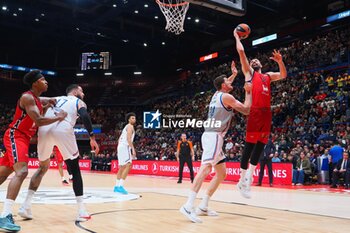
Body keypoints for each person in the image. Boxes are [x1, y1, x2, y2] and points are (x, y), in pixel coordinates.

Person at [180, 62, 252, 223]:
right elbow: (247, 109)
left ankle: (203, 205)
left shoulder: (216, 94)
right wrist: (249, 91)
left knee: (221, 173)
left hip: (212, 135)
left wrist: (233, 75)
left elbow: (225, 84)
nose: (230, 82)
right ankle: (188, 205)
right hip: (214, 136)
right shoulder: (226, 97)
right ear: (223, 85)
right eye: (228, 81)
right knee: (205, 169)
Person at [18, 84, 99, 222]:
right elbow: (84, 115)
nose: (83, 94)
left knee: (43, 167)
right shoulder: (78, 101)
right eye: (81, 91)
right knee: (75, 169)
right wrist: (92, 137)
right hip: (63, 127)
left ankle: (25, 205)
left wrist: (46, 102)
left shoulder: (55, 98)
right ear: (74, 91)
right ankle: (81, 210)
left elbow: (35, 98)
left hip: (44, 130)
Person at [0, 70, 67, 232]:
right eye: (43, 80)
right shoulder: (28, 97)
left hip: (24, 138)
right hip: (16, 136)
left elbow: (46, 101)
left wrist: (49, 103)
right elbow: (38, 120)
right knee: (22, 172)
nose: (46, 82)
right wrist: (60, 116)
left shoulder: (36, 99)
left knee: (2, 174)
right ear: (35, 83)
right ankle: (5, 216)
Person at [233, 29, 287, 198]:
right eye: (253, 60)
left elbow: (284, 75)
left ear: (262, 65)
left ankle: (248, 180)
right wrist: (236, 36)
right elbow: (241, 52)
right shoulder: (250, 74)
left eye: (257, 60)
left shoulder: (268, 76)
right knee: (249, 147)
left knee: (260, 147)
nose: (254, 60)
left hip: (266, 114)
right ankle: (241, 180)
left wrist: (280, 61)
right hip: (255, 112)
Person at [113, 113, 136, 194]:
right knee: (129, 164)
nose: (134, 119)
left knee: (122, 167)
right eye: (132, 118)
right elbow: (128, 139)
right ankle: (121, 186)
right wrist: (133, 149)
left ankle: (116, 186)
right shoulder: (130, 126)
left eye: (134, 118)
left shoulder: (125, 127)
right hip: (125, 146)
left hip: (120, 146)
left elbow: (119, 140)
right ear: (129, 119)